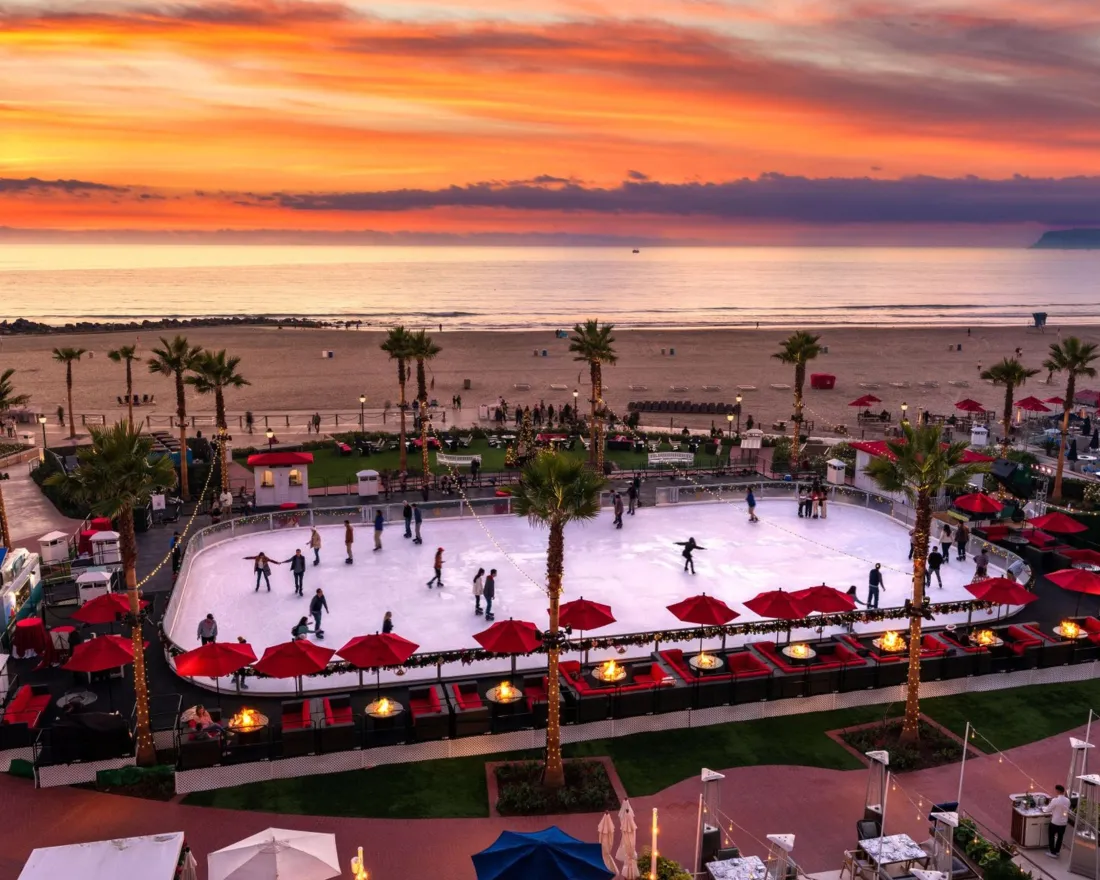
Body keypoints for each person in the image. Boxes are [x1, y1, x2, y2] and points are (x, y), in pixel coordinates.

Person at [1047, 784, 1071, 858]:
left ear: (1057, 791)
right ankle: (1057, 851)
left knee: (1051, 836)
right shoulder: (1068, 801)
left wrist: (1044, 809)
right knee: (1060, 837)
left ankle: (1052, 852)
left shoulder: (1055, 800)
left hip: (1055, 822)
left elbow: (1048, 809)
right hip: (1063, 823)